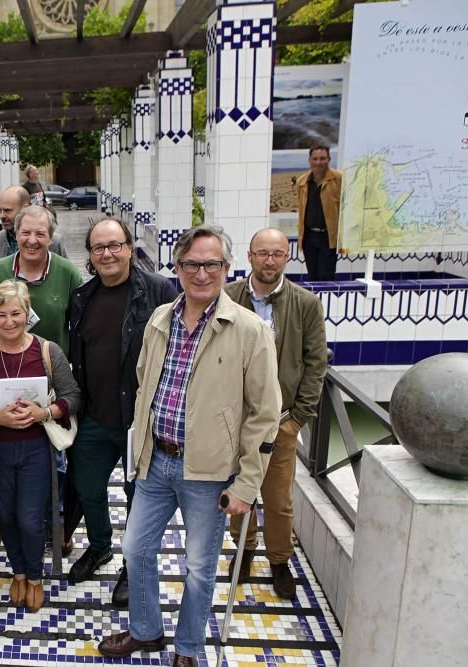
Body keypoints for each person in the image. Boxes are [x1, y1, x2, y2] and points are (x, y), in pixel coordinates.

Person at [97, 226, 280, 666]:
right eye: (193, 264)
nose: (202, 273)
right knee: (135, 549)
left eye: (212, 264)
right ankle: (146, 631)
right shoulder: (160, 319)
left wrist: (247, 485)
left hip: (209, 472)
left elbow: (265, 413)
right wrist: (138, 450)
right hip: (157, 460)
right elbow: (144, 384)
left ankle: (188, 647)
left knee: (199, 569)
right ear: (177, 268)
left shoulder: (249, 330)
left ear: (226, 268)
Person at [67, 219, 178, 602]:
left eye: (115, 245)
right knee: (89, 488)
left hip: (139, 422)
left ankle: (134, 566)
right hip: (94, 417)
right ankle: (100, 546)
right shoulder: (82, 296)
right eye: (99, 248)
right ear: (90, 256)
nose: (108, 254)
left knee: (139, 498)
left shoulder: (160, 291)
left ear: (130, 248)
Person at [225, 227, 328, 600]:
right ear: (249, 257)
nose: (270, 261)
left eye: (277, 254)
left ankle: (280, 560)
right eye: (263, 253)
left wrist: (299, 416)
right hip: (237, 422)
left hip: (282, 422)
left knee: (279, 499)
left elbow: (316, 363)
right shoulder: (229, 297)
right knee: (241, 491)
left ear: (287, 258)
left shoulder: (304, 303)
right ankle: (244, 551)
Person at [0, 280, 80, 613]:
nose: (9, 322)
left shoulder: (47, 351)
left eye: (16, 313)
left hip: (36, 449)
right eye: (1, 314)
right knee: (6, 516)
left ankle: (35, 577)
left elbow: (72, 397)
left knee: (29, 518)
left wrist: (45, 412)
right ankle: (19, 571)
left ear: (28, 313)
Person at [0, 205, 83, 355]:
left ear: (50, 238)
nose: (32, 240)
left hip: (51, 365)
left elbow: (82, 323)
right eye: (26, 233)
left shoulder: (68, 273)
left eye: (40, 234)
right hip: (5, 361)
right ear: (16, 234)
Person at [0, 186, 68, 266]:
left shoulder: (54, 242)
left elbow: (65, 275)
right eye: (0, 210)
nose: (1, 216)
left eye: (7, 210)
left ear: (25, 208)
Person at [296, 145, 342, 281]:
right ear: (309, 160)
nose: (318, 162)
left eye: (322, 158)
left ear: (329, 159)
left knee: (325, 275)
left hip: (328, 236)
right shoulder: (302, 182)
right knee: (312, 275)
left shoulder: (339, 179)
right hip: (309, 235)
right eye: (315, 159)